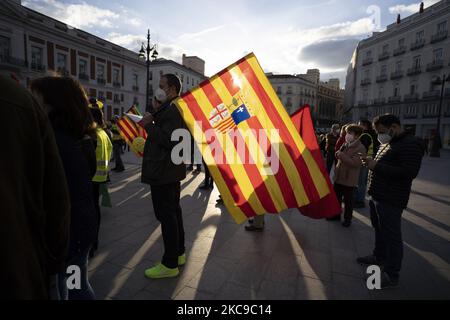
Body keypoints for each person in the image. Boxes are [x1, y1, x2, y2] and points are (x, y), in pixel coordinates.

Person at [0, 74, 70, 299]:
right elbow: (57, 200)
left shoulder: (65, 139)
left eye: (37, 95)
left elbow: (58, 198)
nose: (34, 98)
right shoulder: (18, 100)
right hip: (21, 263)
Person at [30, 76, 98, 300]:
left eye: (37, 98)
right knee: (70, 284)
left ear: (53, 104)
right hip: (77, 231)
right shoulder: (81, 136)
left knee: (74, 287)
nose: (32, 103)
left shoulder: (56, 142)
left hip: (69, 234)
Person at [358, 114, 423, 289]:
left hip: (391, 199)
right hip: (377, 195)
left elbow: (408, 172)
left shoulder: (410, 144)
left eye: (382, 131)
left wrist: (376, 166)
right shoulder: (389, 143)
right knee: (379, 230)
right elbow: (382, 165)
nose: (380, 135)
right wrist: (370, 163)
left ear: (394, 127)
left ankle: (391, 273)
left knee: (392, 236)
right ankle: (378, 256)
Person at [140, 74, 187, 279]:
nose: (158, 90)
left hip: (164, 172)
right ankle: (178, 253)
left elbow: (170, 140)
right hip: (168, 170)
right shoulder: (170, 107)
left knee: (167, 216)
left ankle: (169, 264)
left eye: (161, 86)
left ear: (172, 89)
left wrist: (149, 125)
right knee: (173, 213)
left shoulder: (173, 109)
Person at [326, 124, 366, 227]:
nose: (347, 135)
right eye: (347, 133)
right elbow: (339, 154)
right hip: (339, 176)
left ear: (356, 136)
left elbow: (355, 163)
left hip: (349, 178)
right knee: (336, 198)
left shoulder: (360, 148)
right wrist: (338, 153)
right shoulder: (346, 143)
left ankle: (348, 219)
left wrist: (341, 155)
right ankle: (336, 215)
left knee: (348, 201)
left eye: (349, 133)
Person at [89, 102, 113, 256]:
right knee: (95, 209)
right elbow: (109, 150)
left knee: (91, 211)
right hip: (101, 175)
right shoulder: (103, 133)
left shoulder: (93, 135)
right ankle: (94, 241)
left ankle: (91, 242)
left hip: (91, 177)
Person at [354, 119, 381, 208]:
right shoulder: (372, 134)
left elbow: (362, 149)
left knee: (361, 182)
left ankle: (360, 200)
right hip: (368, 160)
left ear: (364, 125)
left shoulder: (365, 135)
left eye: (359, 124)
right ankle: (358, 198)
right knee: (362, 181)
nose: (358, 126)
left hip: (364, 160)